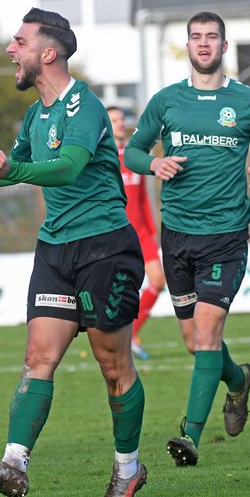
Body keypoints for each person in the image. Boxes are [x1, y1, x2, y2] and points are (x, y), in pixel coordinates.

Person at [0, 8, 147, 496]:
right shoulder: (35, 114)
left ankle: (128, 469)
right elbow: (8, 170)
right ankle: (13, 465)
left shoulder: (85, 107)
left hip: (104, 249)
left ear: (48, 53)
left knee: (114, 366)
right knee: (37, 358)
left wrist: (14, 170)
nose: (10, 49)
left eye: (19, 42)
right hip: (55, 250)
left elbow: (67, 168)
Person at [123, 11, 250, 467]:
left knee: (208, 331)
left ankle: (190, 436)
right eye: (195, 37)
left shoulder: (249, 101)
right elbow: (133, 151)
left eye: (211, 37)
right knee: (195, 342)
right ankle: (238, 381)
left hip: (226, 236)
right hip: (177, 236)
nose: (203, 43)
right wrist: (153, 164)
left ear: (224, 46)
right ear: (188, 46)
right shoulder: (166, 101)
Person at [107, 106, 166, 360]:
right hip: (116, 234)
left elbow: (142, 199)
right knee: (119, 290)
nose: (120, 123)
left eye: (121, 119)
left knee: (158, 280)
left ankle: (132, 332)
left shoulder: (134, 155)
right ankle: (118, 338)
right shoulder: (103, 156)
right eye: (114, 120)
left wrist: (152, 231)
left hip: (141, 232)